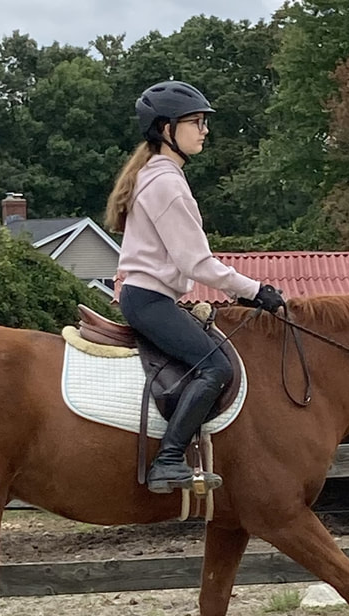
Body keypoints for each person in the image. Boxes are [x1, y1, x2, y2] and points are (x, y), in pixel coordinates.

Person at [105, 80, 285, 494]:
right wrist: (255, 289)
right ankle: (168, 461)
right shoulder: (167, 184)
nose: (204, 130)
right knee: (216, 367)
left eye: (204, 122)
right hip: (150, 299)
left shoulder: (153, 176)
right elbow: (196, 263)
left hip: (148, 295)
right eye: (196, 122)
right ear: (166, 128)